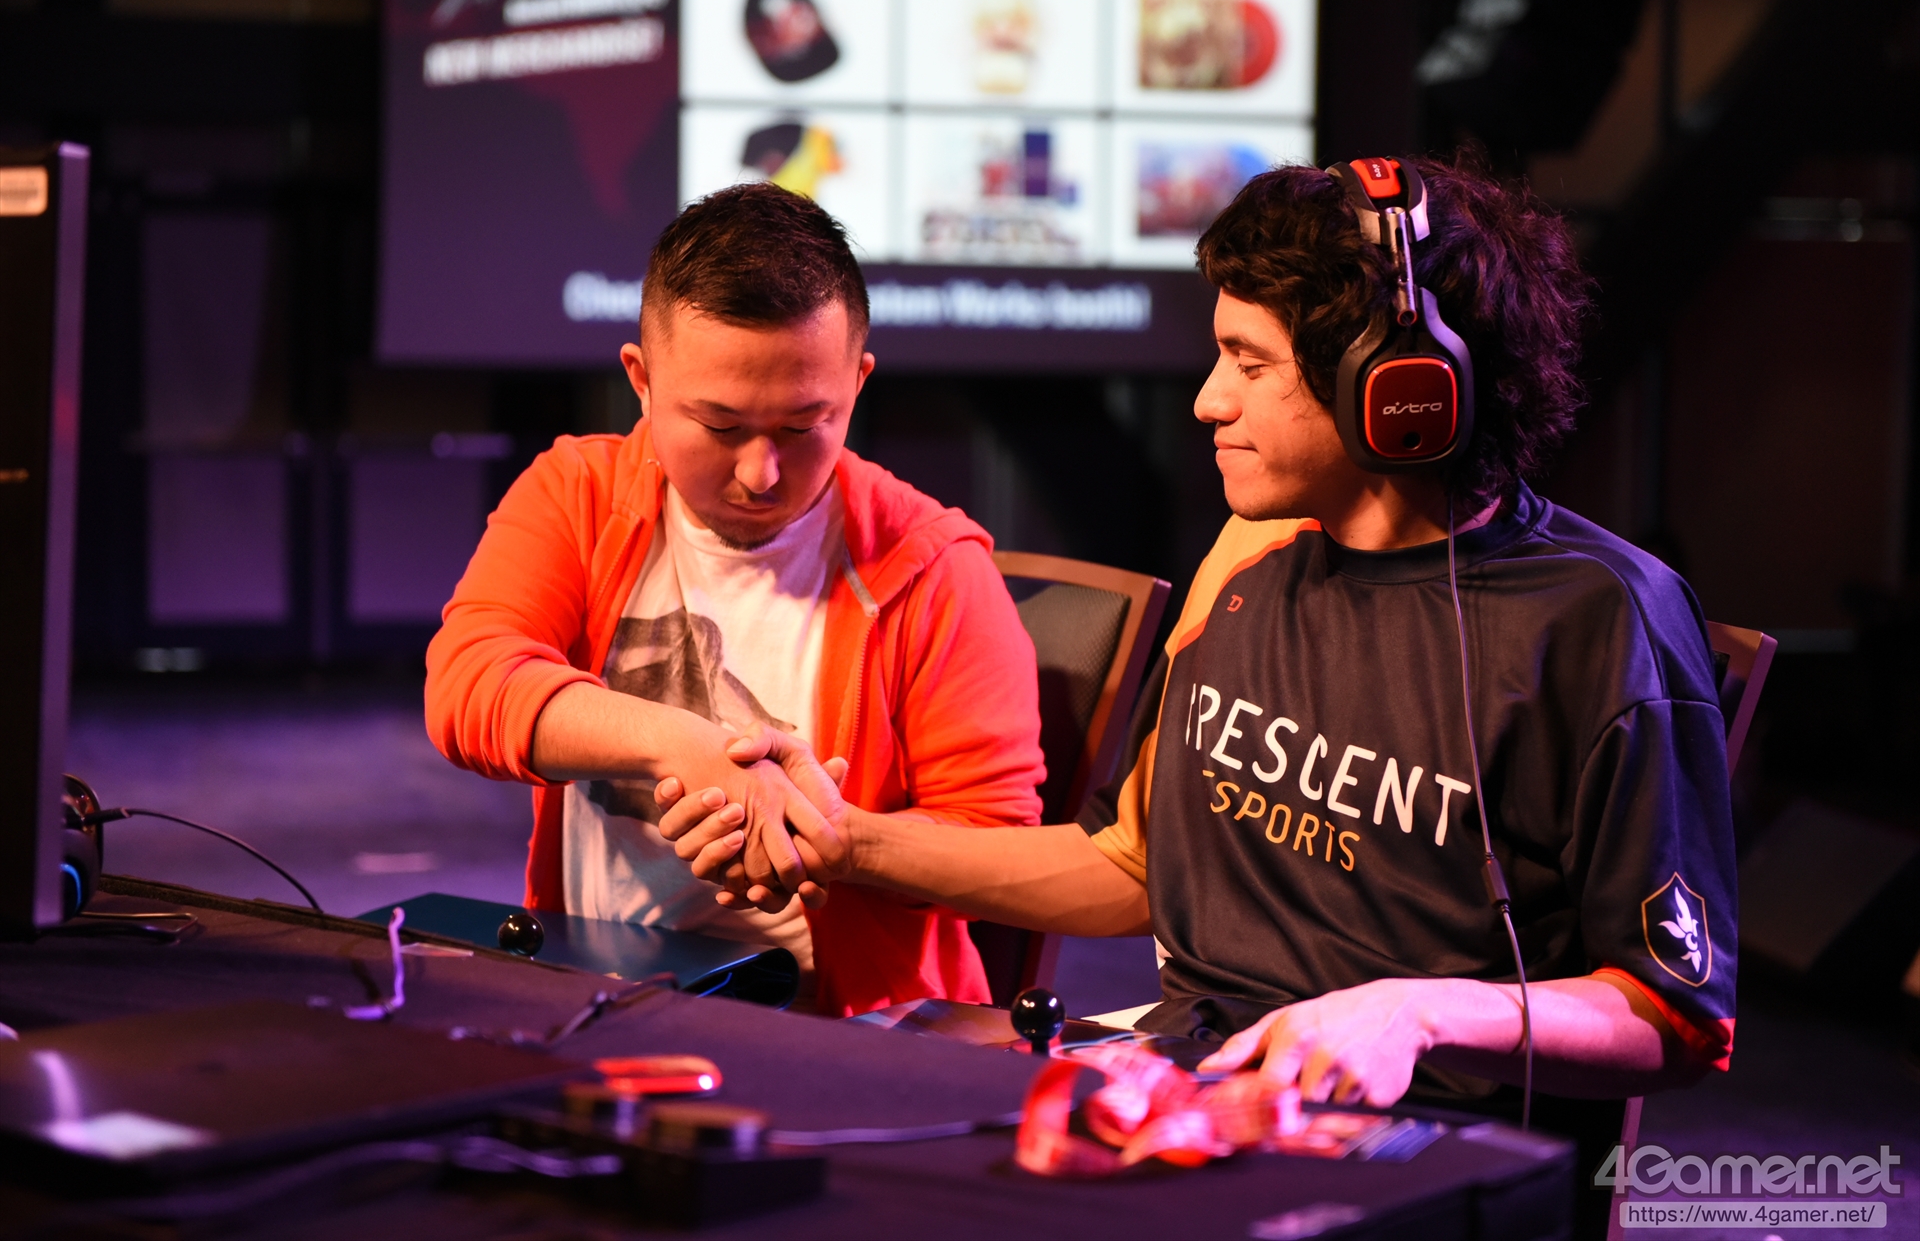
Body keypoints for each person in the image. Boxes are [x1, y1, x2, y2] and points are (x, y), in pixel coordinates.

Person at [654, 157, 1738, 1199]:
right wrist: (845, 840)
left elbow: (1677, 1017)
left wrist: (1417, 1013)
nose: (1208, 401)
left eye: (1249, 363)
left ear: (1392, 385)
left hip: (1414, 1142)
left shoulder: (1601, 621)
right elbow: (1134, 866)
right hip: (1193, 1087)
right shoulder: (1252, 554)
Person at [423, 183, 1046, 1016]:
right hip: (597, 1003)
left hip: (848, 1032)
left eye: (802, 426)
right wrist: (682, 747)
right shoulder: (579, 493)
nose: (761, 472)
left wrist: (829, 840)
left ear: (857, 383)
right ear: (641, 381)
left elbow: (999, 846)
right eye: (720, 427)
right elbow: (469, 685)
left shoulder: (930, 566)